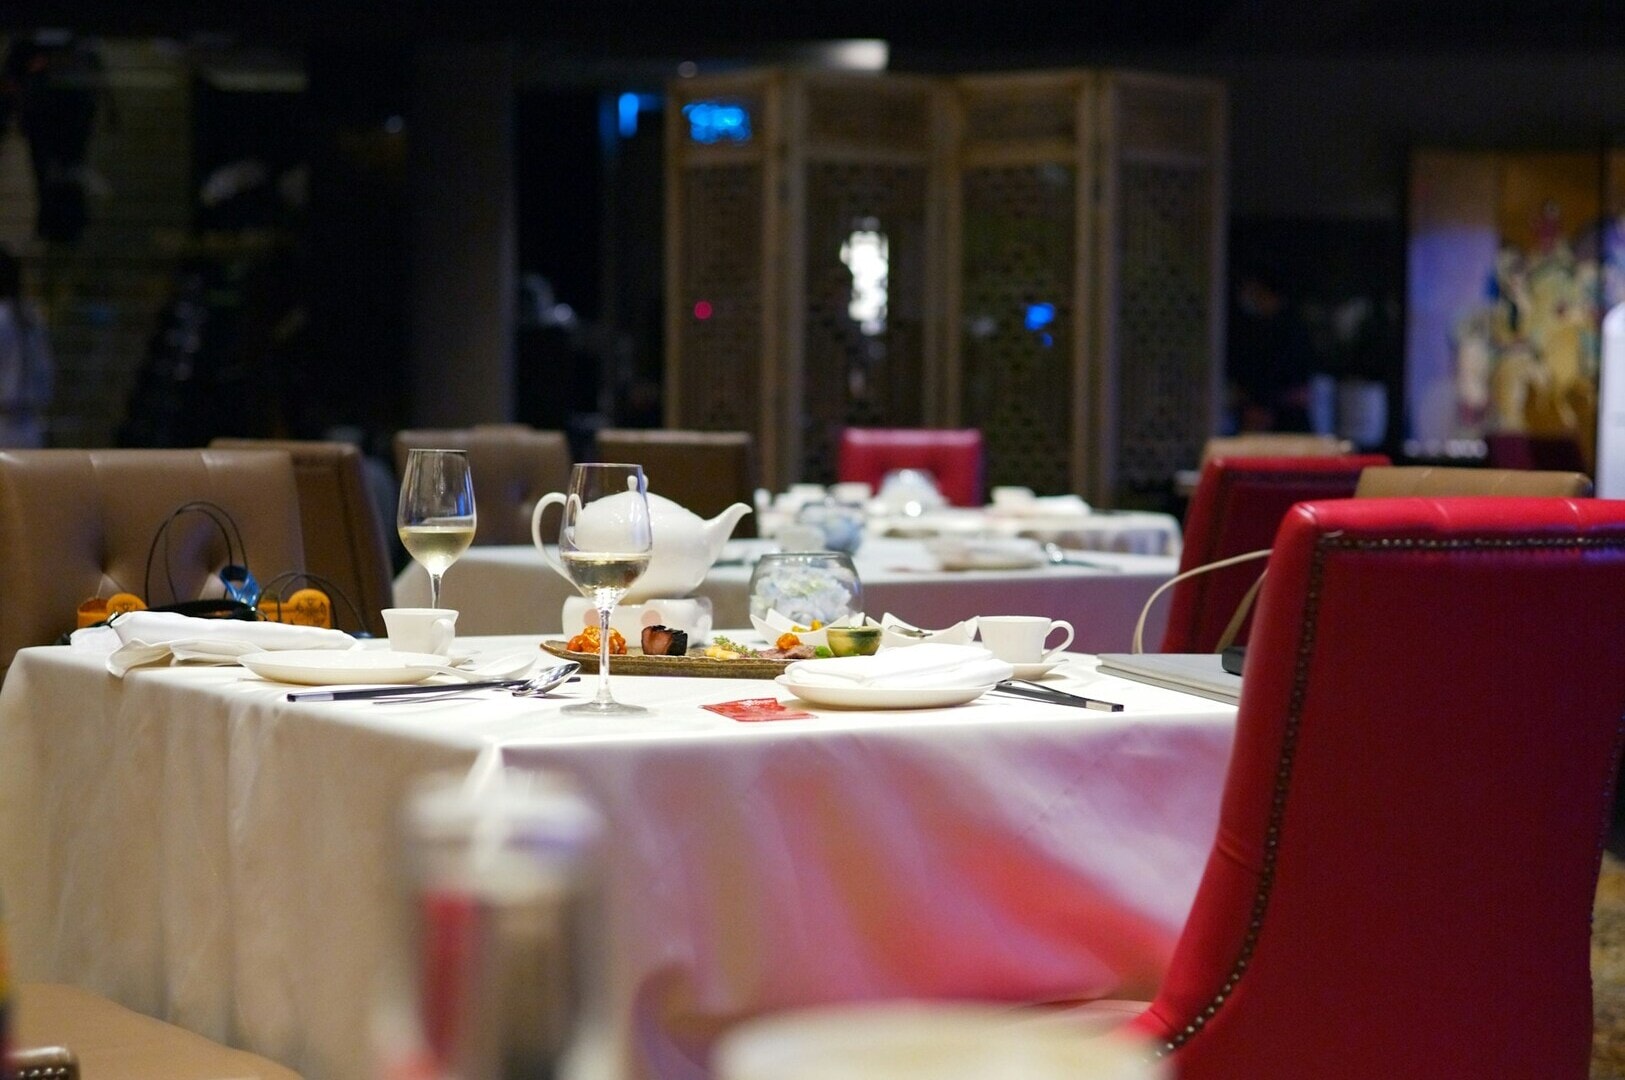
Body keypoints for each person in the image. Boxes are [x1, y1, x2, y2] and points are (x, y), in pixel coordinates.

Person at [1225, 262, 1316, 433]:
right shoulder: (1273, 326)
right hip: (1275, 417)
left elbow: (1278, 375)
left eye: (1255, 291)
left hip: (1283, 422)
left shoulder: (1286, 329)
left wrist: (1261, 402)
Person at [0, 245, 54, 448]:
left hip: (6, 420)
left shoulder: (8, 317)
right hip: (29, 425)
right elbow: (46, 372)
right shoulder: (31, 316)